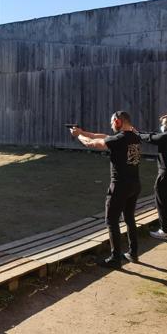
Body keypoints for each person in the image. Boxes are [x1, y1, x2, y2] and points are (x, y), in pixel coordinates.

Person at [70, 111, 142, 267]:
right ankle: (133, 253)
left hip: (120, 186)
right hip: (134, 184)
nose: (110, 126)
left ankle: (115, 258)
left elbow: (92, 143)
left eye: (112, 122)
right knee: (129, 218)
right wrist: (83, 132)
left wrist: (78, 136)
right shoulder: (135, 135)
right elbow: (102, 136)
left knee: (111, 220)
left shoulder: (119, 139)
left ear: (117, 122)